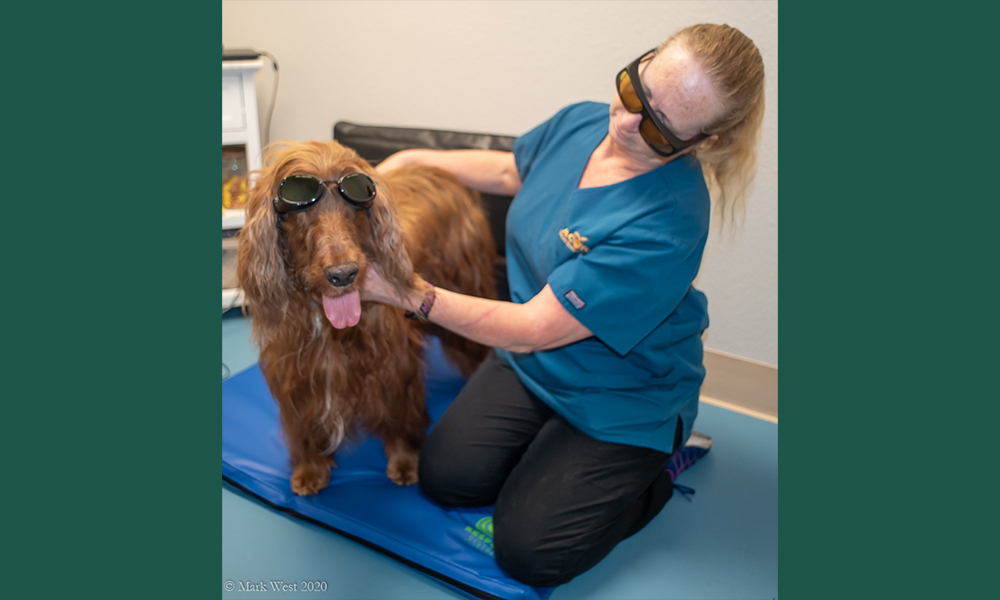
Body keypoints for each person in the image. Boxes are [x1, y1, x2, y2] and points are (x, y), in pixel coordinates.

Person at [361, 23, 766, 586]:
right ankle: (550, 445)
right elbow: (509, 169)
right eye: (633, 91)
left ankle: (659, 469)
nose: (626, 123)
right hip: (535, 365)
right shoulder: (581, 121)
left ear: (706, 143)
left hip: (623, 395)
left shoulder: (668, 221)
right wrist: (406, 162)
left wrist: (404, 292)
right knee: (445, 479)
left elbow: (531, 327)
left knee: (529, 552)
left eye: (660, 128)